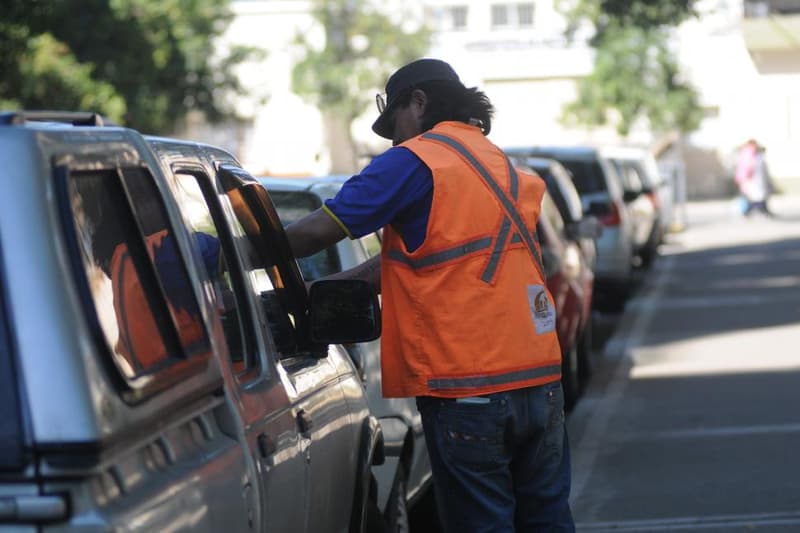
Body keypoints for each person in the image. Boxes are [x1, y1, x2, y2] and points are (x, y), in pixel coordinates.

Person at [285, 58, 574, 532]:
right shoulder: (501, 165)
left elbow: (319, 230)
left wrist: (226, 255)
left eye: (394, 123)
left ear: (417, 101)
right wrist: (319, 289)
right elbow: (425, 260)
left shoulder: (417, 160)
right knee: (547, 521)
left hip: (468, 388)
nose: (395, 140)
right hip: (540, 382)